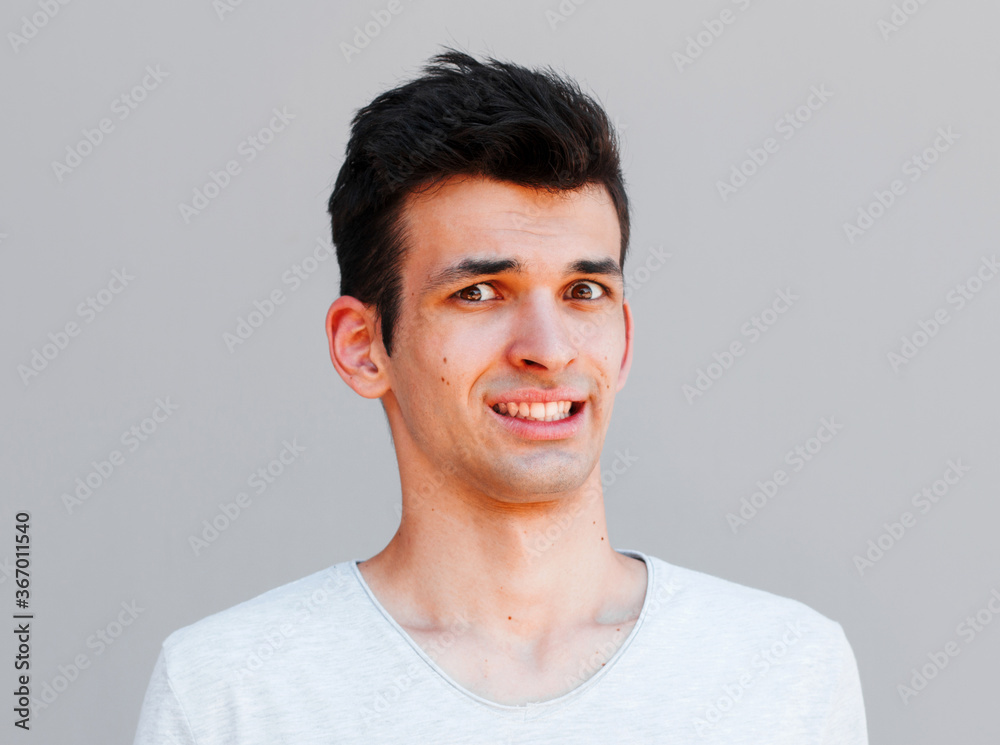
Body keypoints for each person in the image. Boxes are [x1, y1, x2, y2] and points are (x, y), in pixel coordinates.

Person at [133, 49, 868, 743]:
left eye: (584, 292)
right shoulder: (231, 691)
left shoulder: (785, 670)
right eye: (479, 292)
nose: (548, 348)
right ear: (362, 347)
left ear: (624, 339)